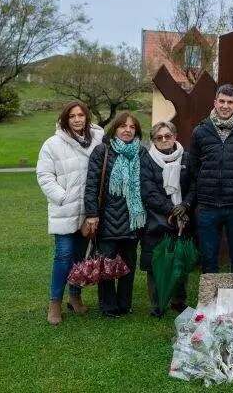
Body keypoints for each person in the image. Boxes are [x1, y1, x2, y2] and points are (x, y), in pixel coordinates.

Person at [37, 101, 105, 325]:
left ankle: (75, 296)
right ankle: (54, 302)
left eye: (81, 115)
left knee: (80, 256)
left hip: (88, 210)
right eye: (72, 116)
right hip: (65, 209)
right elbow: (45, 176)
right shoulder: (53, 144)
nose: (77, 119)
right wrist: (63, 197)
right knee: (63, 255)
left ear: (87, 117)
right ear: (65, 119)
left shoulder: (97, 140)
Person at [188, 83, 233, 273]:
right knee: (209, 257)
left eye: (230, 102)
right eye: (221, 101)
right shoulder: (200, 131)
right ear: (215, 102)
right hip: (207, 205)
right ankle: (210, 302)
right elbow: (193, 166)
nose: (225, 106)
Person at [83, 111, 147, 318]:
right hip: (107, 219)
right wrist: (92, 214)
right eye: (123, 126)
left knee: (128, 264)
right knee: (107, 264)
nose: (127, 130)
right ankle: (108, 306)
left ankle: (124, 304)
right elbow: (91, 185)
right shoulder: (102, 151)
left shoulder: (141, 153)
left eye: (132, 127)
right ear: (114, 129)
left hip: (133, 218)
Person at [140, 121, 194, 316]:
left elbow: (194, 185)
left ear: (175, 136)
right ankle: (157, 304)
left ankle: (178, 300)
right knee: (157, 263)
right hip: (158, 219)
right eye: (159, 137)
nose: (164, 140)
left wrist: (185, 206)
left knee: (180, 260)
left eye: (167, 136)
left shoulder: (187, 157)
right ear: (153, 140)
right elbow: (149, 191)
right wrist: (172, 209)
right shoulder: (147, 160)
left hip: (184, 218)